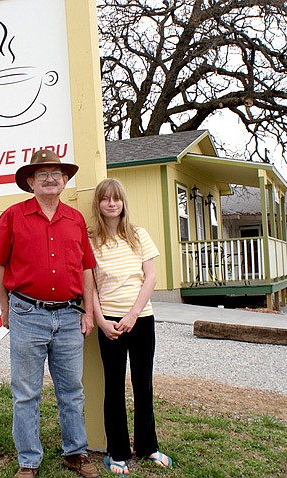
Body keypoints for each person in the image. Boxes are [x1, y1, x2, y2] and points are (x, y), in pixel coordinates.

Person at [0, 150, 99, 478]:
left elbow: (86, 268)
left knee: (71, 390)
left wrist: (88, 312)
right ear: (31, 182)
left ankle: (75, 452)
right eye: (42, 174)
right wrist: (6, 308)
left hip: (68, 317)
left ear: (65, 181)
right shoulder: (12, 216)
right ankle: (28, 461)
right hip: (27, 313)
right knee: (26, 393)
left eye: (56, 174)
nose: (50, 179)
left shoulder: (75, 219)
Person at [90, 178, 172, 475]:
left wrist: (134, 314)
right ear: (98, 204)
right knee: (113, 387)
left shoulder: (138, 235)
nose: (111, 204)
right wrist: (101, 321)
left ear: (123, 203)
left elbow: (150, 277)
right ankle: (118, 452)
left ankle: (148, 446)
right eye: (105, 199)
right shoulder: (91, 241)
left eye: (116, 199)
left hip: (141, 319)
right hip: (109, 323)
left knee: (143, 384)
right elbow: (91, 288)